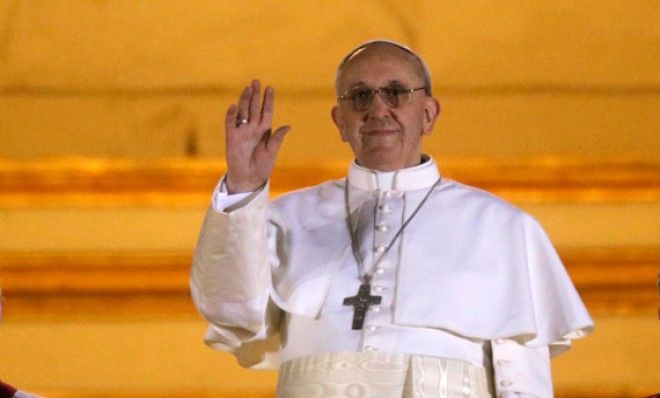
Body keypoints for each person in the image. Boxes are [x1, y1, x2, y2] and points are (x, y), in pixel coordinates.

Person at [190, 40, 594, 397]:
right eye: (360, 96)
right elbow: (233, 313)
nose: (377, 109)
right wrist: (243, 186)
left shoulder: (502, 227)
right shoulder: (285, 218)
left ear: (429, 114)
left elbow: (520, 378)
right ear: (339, 121)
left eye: (396, 93)